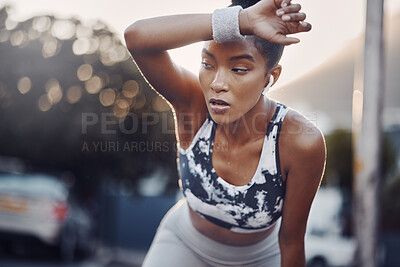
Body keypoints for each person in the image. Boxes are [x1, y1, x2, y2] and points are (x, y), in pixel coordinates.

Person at [124, 0, 326, 266]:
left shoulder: (300, 141)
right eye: (208, 64)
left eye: (239, 69)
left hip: (261, 258)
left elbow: (291, 240)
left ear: (270, 77)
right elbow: (136, 37)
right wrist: (240, 21)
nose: (217, 84)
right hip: (183, 244)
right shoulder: (192, 103)